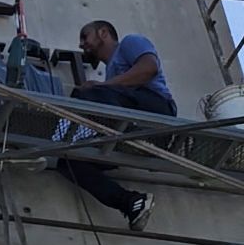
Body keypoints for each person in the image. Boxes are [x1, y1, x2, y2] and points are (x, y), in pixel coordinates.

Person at [60, 19, 177, 231]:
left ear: (103, 32)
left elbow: (149, 68)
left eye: (85, 36)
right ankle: (131, 202)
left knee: (88, 93)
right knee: (69, 162)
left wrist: (100, 86)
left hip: (155, 111)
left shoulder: (129, 43)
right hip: (130, 129)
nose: (81, 44)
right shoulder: (111, 82)